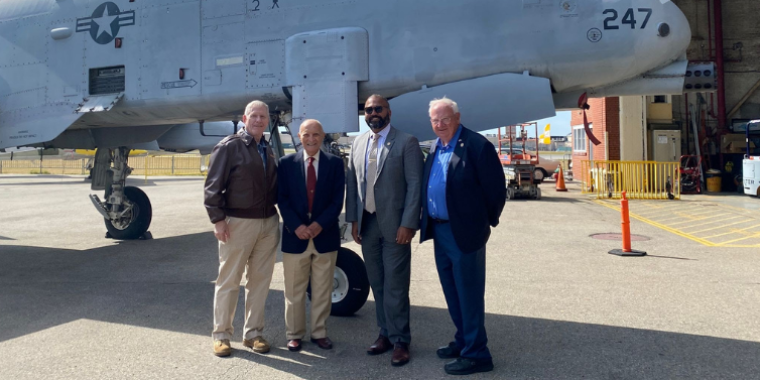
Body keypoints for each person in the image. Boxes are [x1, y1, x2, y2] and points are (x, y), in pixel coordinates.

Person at [419, 97, 506, 375]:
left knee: (468, 293)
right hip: (440, 229)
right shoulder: (435, 146)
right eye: (435, 120)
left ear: (457, 117)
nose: (440, 124)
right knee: (452, 291)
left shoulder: (477, 145)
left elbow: (495, 191)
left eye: (445, 118)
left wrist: (484, 224)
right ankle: (464, 340)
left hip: (465, 232)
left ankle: (478, 354)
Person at [345, 94, 424, 367]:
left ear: (388, 111)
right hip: (367, 225)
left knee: (396, 285)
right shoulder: (357, 144)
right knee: (377, 283)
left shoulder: (407, 142)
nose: (373, 113)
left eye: (378, 108)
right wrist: (353, 221)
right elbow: (353, 186)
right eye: (368, 110)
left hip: (395, 226)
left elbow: (416, 186)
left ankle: (401, 340)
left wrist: (409, 223)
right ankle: (385, 334)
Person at [204, 100, 279, 357]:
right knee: (229, 280)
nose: (258, 120)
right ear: (244, 119)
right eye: (254, 116)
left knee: (259, 282)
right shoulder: (230, 147)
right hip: (238, 223)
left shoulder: (267, 149)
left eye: (263, 117)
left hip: (268, 223)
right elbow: (213, 187)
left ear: (267, 120)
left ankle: (253, 334)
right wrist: (218, 220)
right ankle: (222, 335)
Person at [277, 119, 345, 352]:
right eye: (306, 134)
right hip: (295, 237)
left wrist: (318, 225)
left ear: (322, 136)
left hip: (324, 237)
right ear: (299, 136)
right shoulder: (285, 163)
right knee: (293, 291)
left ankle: (319, 333)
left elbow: (337, 200)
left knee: (323, 290)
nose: (311, 139)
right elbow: (282, 199)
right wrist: (296, 226)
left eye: (316, 134)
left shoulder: (335, 164)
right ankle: (294, 334)